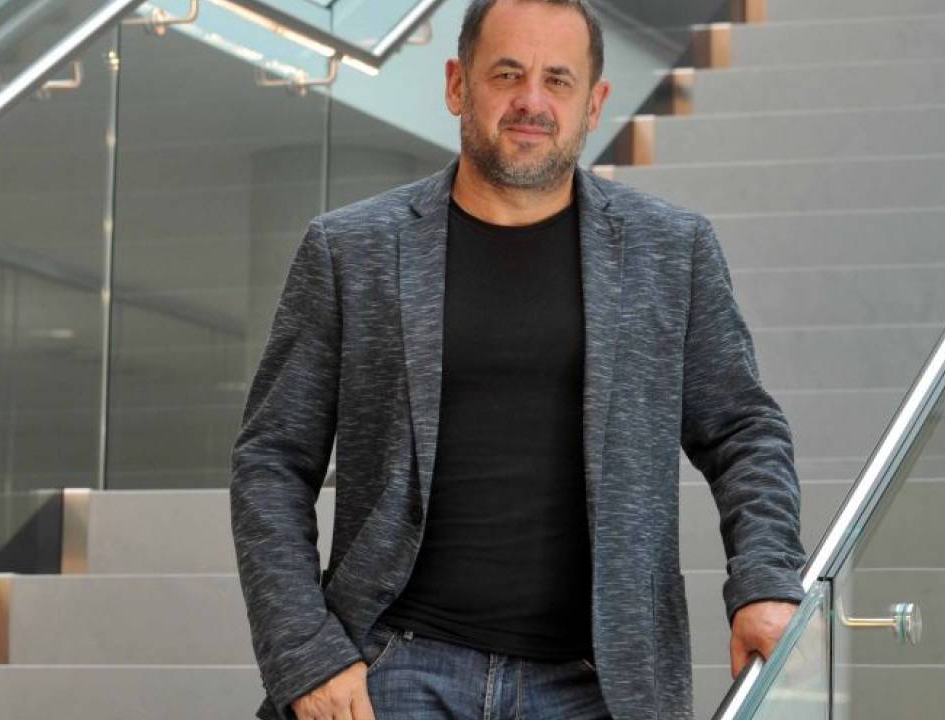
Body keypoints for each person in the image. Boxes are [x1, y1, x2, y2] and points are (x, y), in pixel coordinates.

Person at [229, 1, 806, 718]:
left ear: (594, 104)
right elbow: (272, 460)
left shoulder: (670, 251)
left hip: (599, 685)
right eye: (507, 74)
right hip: (395, 669)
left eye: (558, 80)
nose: (532, 101)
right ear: (457, 85)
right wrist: (306, 655)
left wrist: (765, 579)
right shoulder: (352, 249)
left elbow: (744, 431)